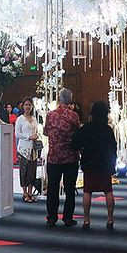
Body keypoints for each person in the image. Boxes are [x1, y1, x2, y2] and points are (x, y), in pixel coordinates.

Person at [71, 100, 117, 230]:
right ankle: (110, 219)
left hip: (89, 163)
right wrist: (112, 164)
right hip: (105, 164)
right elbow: (113, 148)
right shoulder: (108, 129)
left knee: (87, 191)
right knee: (108, 191)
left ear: (92, 114)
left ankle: (86, 220)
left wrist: (81, 150)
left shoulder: (86, 128)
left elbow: (74, 143)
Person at [43, 87, 81, 226]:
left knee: (52, 188)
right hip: (70, 157)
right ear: (70, 100)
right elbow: (78, 134)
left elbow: (45, 132)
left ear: (59, 98)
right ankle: (67, 218)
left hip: (54, 157)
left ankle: (52, 217)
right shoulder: (74, 116)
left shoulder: (50, 115)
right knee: (70, 189)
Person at [15, 97, 40, 203]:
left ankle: (30, 192)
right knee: (24, 171)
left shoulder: (34, 119)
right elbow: (17, 134)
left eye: (30, 105)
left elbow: (37, 130)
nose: (28, 107)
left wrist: (36, 135)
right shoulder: (20, 119)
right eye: (26, 104)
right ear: (23, 106)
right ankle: (24, 193)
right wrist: (28, 137)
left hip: (33, 149)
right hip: (23, 149)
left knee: (32, 171)